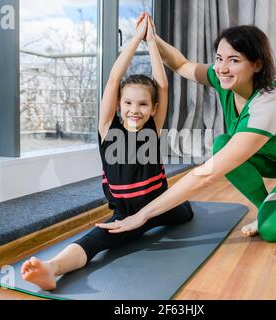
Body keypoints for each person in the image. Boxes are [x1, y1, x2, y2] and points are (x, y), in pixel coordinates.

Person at [97, 17, 276, 244]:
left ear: (257, 64)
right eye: (219, 58)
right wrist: (152, 37)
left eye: (234, 60)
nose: (222, 68)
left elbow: (206, 174)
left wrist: (143, 215)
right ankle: (269, 204)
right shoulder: (226, 79)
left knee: (271, 231)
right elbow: (181, 64)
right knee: (222, 144)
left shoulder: (268, 107)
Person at [20, 15, 194, 291]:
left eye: (142, 104)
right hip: (126, 215)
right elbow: (114, 79)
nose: (134, 109)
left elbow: (163, 85)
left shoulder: (152, 129)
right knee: (96, 239)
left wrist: (151, 41)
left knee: (186, 212)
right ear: (118, 105)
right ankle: (52, 268)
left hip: (159, 208)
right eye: (127, 102)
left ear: (152, 108)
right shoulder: (107, 129)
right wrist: (135, 37)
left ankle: (170, 211)